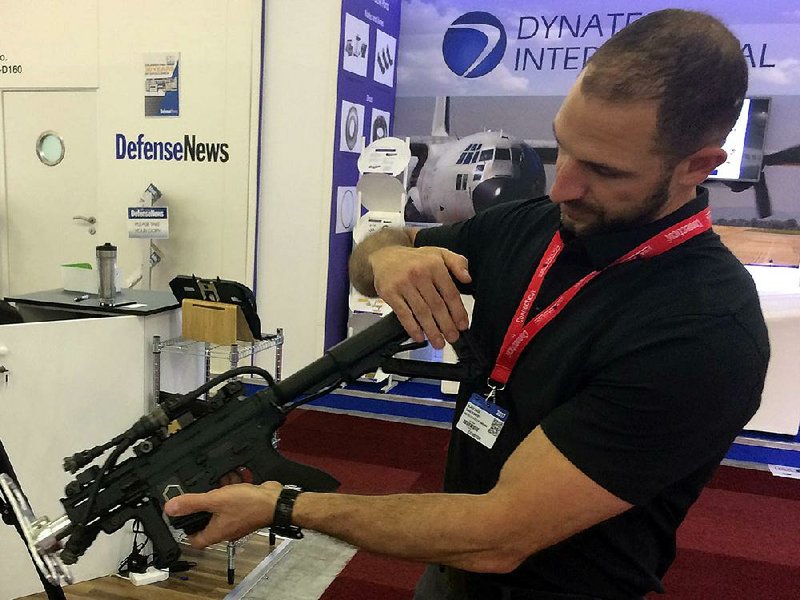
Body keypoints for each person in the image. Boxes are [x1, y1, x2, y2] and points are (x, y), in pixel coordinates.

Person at [165, 9, 769, 599]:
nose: (561, 187)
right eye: (563, 148)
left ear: (699, 166)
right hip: (451, 568)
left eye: (604, 170)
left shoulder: (706, 331)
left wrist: (281, 504)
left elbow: (497, 534)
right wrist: (387, 257)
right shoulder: (526, 227)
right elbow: (377, 249)